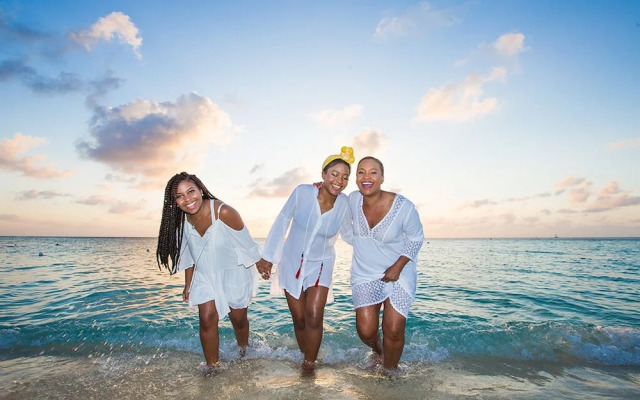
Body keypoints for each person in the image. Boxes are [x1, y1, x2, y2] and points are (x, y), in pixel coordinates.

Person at [256, 146, 355, 372]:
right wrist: (269, 257)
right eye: (334, 174)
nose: (339, 180)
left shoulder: (345, 204)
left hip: (322, 263)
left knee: (313, 314)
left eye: (345, 177)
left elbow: (349, 234)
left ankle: (310, 365)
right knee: (299, 319)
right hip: (292, 261)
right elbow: (282, 220)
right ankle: (305, 355)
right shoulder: (302, 192)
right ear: (323, 174)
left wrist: (377, 247)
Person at [156, 172, 261, 369]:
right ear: (174, 201)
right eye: (179, 196)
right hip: (204, 274)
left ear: (201, 190)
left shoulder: (225, 212)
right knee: (206, 319)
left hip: (234, 272)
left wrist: (263, 265)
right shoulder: (182, 222)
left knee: (238, 319)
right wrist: (188, 285)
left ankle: (244, 350)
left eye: (191, 191)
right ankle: (212, 367)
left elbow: (249, 246)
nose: (187, 199)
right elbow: (189, 256)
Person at [348, 156, 424, 371]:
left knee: (393, 329)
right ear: (356, 178)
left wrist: (398, 266)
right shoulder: (352, 200)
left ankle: (390, 371)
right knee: (365, 331)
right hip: (365, 273)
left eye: (373, 172)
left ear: (382, 177)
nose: (367, 177)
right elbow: (331, 199)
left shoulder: (403, 207)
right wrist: (320, 187)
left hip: (399, 271)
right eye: (361, 172)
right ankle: (380, 351)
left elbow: (416, 238)